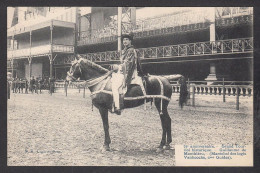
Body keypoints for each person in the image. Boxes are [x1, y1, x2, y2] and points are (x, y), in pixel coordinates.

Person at [111, 32, 144, 115]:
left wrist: (118, 67)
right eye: (123, 40)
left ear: (130, 41)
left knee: (115, 87)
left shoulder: (131, 51)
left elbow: (128, 64)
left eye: (126, 39)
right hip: (124, 71)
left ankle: (117, 107)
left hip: (129, 73)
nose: (124, 41)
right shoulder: (124, 51)